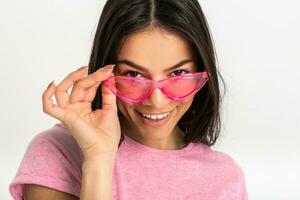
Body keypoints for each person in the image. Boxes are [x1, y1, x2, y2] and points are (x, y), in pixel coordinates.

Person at [9, 0, 248, 199]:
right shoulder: (58, 152)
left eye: (178, 73)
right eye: (133, 74)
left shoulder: (225, 176)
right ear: (106, 71)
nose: (156, 101)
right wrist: (98, 158)